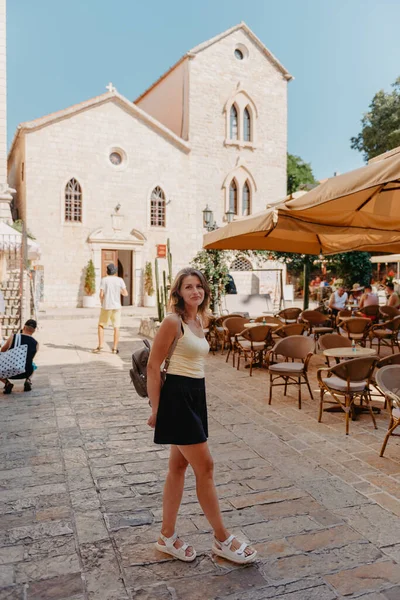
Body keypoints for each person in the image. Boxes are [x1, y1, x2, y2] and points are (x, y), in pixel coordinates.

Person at [147, 267, 257, 565]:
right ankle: (222, 538)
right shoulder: (173, 322)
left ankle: (166, 536)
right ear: (178, 293)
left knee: (178, 467)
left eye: (198, 286)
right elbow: (153, 365)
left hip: (195, 395)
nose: (194, 291)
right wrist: (157, 408)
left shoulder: (199, 320)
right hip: (178, 398)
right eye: (187, 287)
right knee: (205, 466)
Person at [93, 263, 128, 354]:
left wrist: (101, 302)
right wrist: (118, 291)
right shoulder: (120, 280)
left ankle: (100, 346)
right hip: (117, 307)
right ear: (115, 272)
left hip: (106, 306)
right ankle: (115, 349)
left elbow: (101, 294)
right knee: (116, 327)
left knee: (101, 325)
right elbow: (125, 293)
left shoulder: (104, 280)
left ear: (107, 271)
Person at [0, 319, 38, 394]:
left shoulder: (13, 337)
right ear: (34, 330)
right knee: (33, 365)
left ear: (24, 327)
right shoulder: (36, 343)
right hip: (26, 371)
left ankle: (7, 383)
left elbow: (3, 350)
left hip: (9, 371)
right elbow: (30, 358)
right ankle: (28, 380)